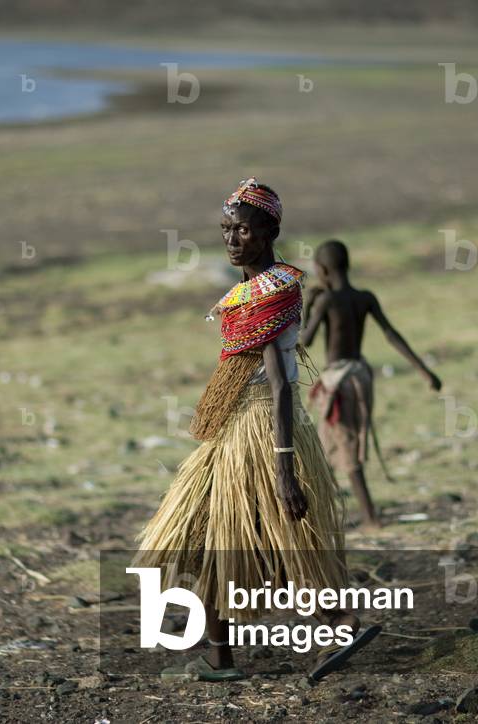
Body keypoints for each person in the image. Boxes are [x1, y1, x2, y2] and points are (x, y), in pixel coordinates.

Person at [135, 179, 379, 682]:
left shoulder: (275, 290)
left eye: (242, 230)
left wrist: (284, 468)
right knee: (207, 537)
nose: (231, 239)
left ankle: (340, 621)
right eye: (226, 230)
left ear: (269, 233)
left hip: (265, 432)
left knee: (278, 539)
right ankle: (220, 654)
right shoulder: (250, 291)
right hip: (234, 432)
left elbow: (285, 386)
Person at [301, 239, 442, 528]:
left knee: (344, 444)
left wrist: (308, 307)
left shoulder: (327, 300)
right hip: (360, 375)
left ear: (322, 270)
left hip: (340, 381)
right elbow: (391, 334)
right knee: (340, 442)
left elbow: (306, 340)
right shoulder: (365, 297)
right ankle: (329, 515)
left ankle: (369, 518)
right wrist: (425, 371)